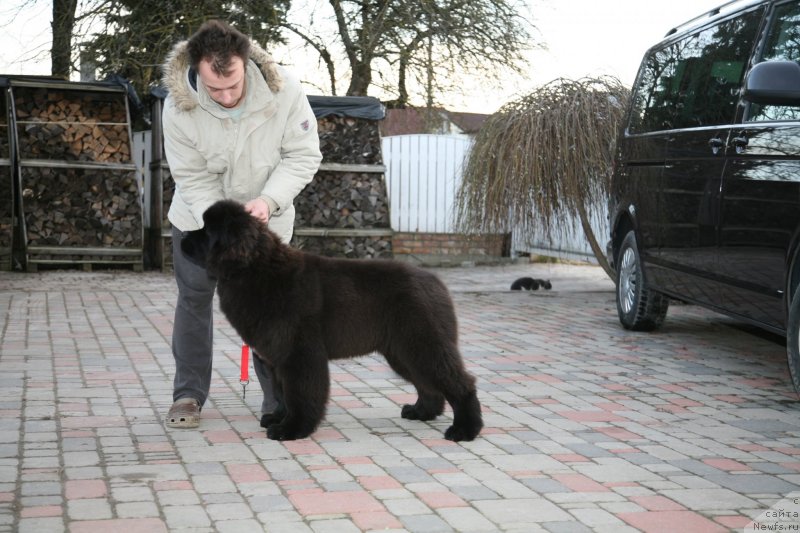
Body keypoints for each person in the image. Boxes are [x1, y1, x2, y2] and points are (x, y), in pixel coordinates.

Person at [160, 19, 322, 428]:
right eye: (214, 88)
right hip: (200, 223)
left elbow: (303, 155)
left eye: (233, 84)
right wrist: (227, 226)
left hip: (267, 224)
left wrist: (268, 202)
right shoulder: (177, 104)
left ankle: (277, 399)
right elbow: (192, 175)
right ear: (197, 70)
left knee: (272, 307)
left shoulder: (285, 89)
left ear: (245, 63)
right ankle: (188, 395)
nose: (226, 96)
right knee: (194, 302)